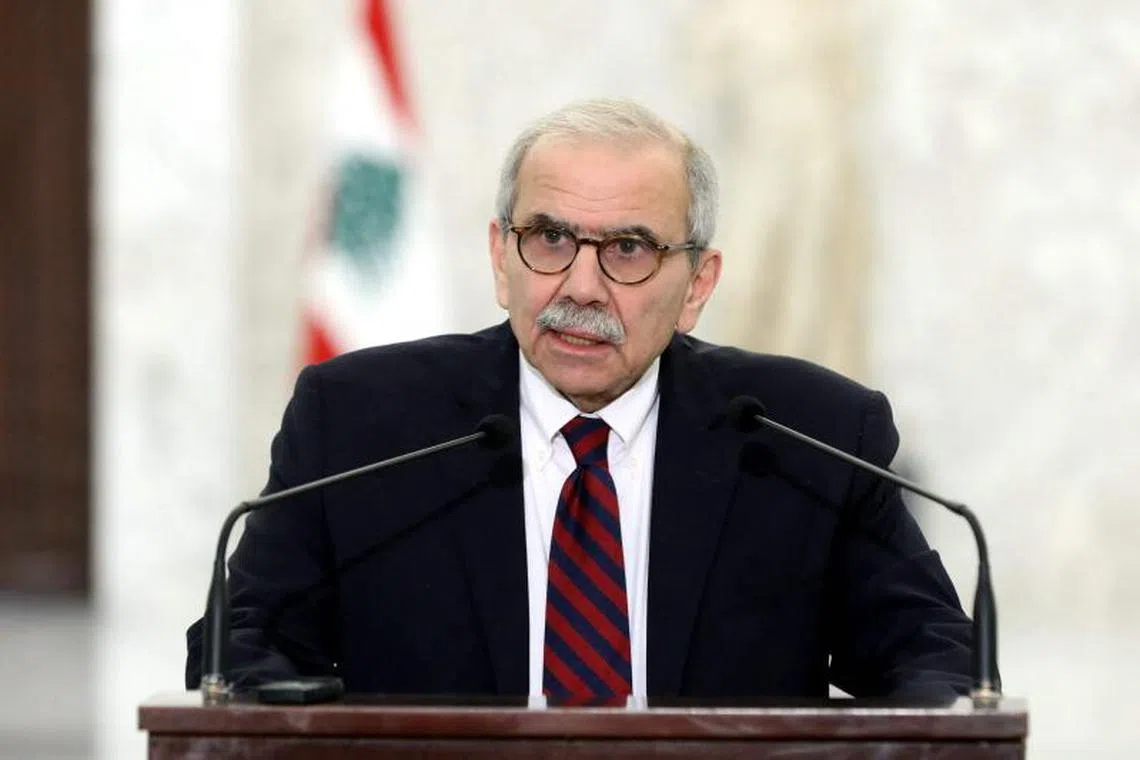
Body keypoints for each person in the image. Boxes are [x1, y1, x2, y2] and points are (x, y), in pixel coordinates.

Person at [186, 98, 973, 700]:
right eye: (551, 240)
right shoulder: (360, 423)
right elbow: (237, 645)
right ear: (503, 258)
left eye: (629, 249)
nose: (582, 287)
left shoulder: (808, 437)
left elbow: (937, 655)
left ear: (697, 284)